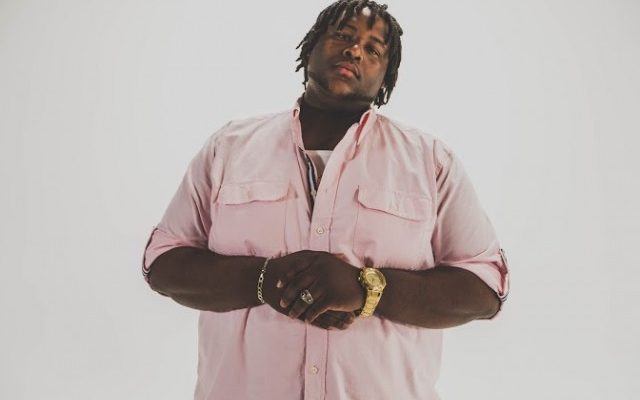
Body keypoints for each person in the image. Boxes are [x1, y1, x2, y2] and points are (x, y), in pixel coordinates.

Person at [142, 1, 510, 399]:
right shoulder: (229, 149)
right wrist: (265, 281)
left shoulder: (430, 161)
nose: (355, 51)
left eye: (373, 50)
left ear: (387, 77)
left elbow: (484, 287)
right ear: (311, 46)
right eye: (344, 36)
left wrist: (366, 289)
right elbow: (163, 262)